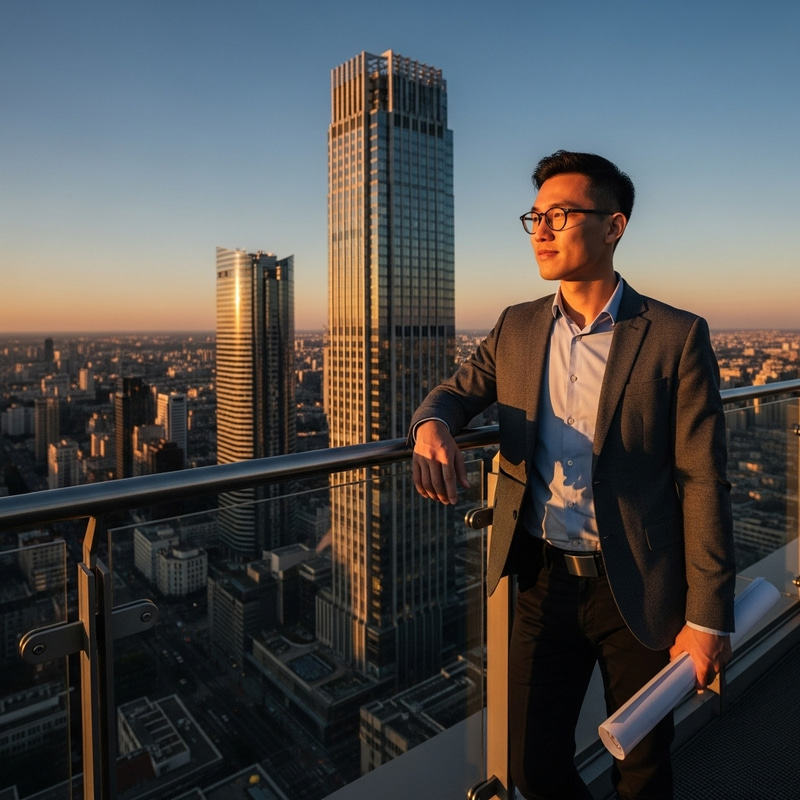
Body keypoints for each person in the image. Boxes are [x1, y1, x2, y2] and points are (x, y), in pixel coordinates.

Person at [409, 151, 736, 800]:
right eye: (536, 215)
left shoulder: (674, 336)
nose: (541, 230)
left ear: (614, 227)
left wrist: (708, 619)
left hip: (639, 588)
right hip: (540, 580)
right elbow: (451, 394)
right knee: (533, 766)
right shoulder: (518, 326)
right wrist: (430, 426)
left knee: (642, 770)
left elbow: (704, 481)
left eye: (561, 215)